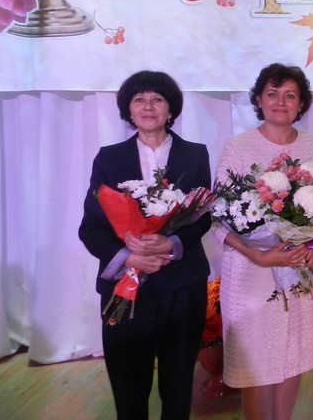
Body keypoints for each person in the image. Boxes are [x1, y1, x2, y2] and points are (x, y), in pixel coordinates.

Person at [79, 70, 212, 420]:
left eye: (157, 99)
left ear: (171, 110)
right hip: (125, 287)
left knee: (178, 385)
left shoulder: (195, 155)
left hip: (182, 284)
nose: (148, 107)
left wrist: (170, 243)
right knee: (128, 387)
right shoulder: (109, 158)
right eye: (139, 99)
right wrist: (130, 258)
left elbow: (202, 216)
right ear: (128, 109)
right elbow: (91, 228)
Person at [211, 63, 313, 420]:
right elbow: (218, 218)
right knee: (258, 364)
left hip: (300, 265)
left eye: (290, 95)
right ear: (259, 100)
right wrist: (256, 255)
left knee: (293, 356)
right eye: (272, 94)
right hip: (251, 271)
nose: (280, 102)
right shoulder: (238, 147)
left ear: (301, 103)